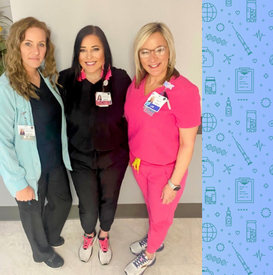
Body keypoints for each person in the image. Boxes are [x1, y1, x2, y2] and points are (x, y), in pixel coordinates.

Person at [0, 17, 72, 269]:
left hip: (53, 161)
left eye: (41, 44)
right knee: (32, 213)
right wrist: (18, 182)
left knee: (62, 202)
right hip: (28, 168)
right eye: (28, 44)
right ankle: (42, 251)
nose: (36, 51)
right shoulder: (4, 89)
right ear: (17, 46)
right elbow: (3, 141)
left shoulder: (46, 79)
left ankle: (48, 236)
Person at [124, 22, 200, 275]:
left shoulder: (185, 91)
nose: (153, 58)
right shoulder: (136, 84)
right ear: (138, 54)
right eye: (145, 51)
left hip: (165, 172)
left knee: (160, 217)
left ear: (170, 51)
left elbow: (188, 143)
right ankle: (155, 238)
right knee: (152, 209)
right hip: (138, 164)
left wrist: (174, 183)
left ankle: (149, 255)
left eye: (159, 49)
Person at [58, 25, 131, 265]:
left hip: (114, 157)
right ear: (77, 54)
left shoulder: (120, 79)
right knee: (88, 209)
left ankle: (104, 235)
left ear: (105, 52)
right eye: (83, 50)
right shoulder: (66, 79)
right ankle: (89, 233)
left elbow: (133, 117)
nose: (89, 56)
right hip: (80, 158)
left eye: (95, 49)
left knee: (108, 203)